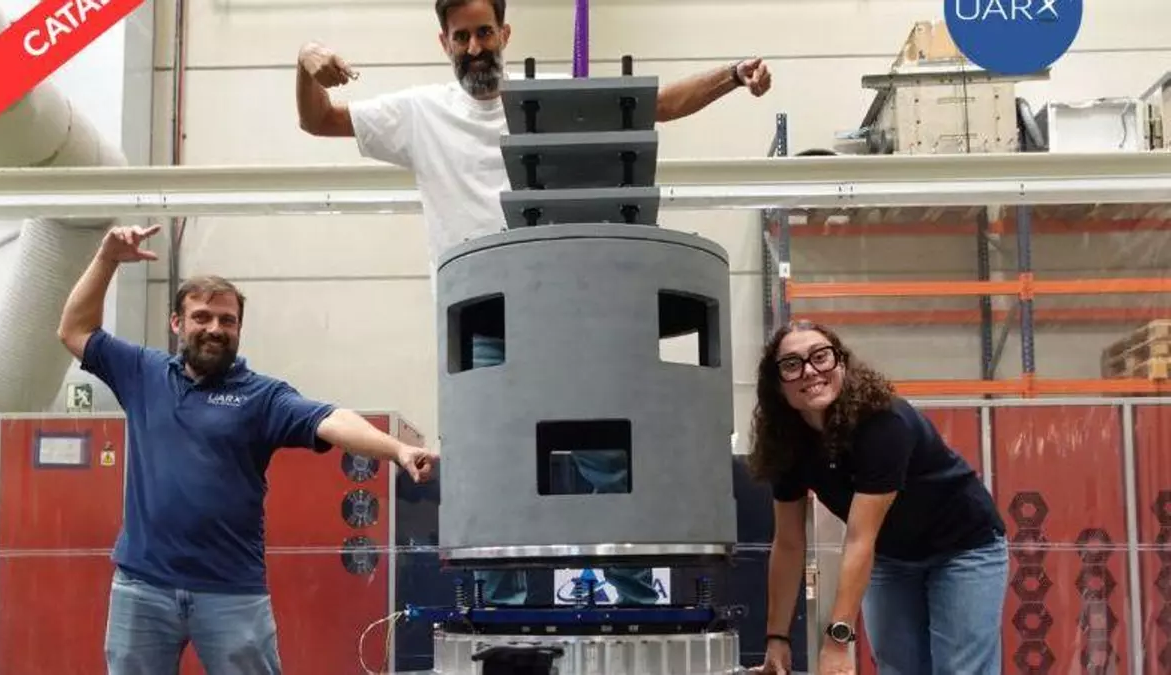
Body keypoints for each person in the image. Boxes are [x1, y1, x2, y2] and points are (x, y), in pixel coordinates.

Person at [295, 0, 772, 607]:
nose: (475, 48)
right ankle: (502, 609)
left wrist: (732, 74)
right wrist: (306, 64)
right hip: (482, 320)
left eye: (484, 33)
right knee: (495, 467)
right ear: (444, 43)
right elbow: (319, 120)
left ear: (505, 33)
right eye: (461, 37)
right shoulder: (420, 113)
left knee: (607, 455)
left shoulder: (547, 99)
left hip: (570, 314)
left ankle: (634, 599)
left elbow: (656, 105)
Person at [57, 224, 439, 675]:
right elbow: (74, 330)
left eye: (227, 320)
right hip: (143, 587)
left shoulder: (261, 396)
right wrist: (106, 259)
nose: (215, 329)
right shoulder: (142, 373)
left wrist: (396, 450)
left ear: (239, 328)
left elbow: (331, 418)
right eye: (202, 317)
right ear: (177, 323)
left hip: (230, 592)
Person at [747, 320, 1008, 675]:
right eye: (792, 364)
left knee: (960, 669)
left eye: (821, 357)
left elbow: (860, 538)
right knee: (898, 668)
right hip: (892, 556)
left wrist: (837, 641)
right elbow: (789, 543)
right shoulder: (788, 444)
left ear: (841, 363)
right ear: (777, 383)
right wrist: (777, 638)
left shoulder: (884, 422)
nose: (809, 371)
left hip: (963, 546)